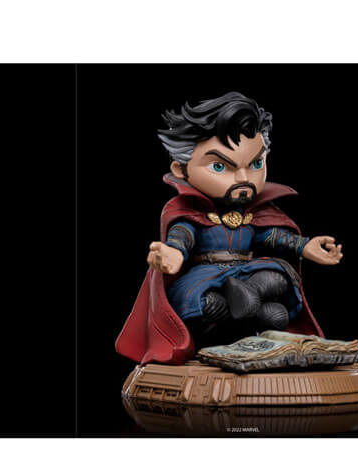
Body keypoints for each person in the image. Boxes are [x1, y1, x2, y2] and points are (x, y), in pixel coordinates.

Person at [116, 92, 343, 365]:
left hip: (246, 272)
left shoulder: (255, 212)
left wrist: (304, 246)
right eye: (219, 166)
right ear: (180, 169)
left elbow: (270, 235)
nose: (244, 178)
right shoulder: (187, 211)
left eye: (256, 163)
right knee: (206, 303)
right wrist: (174, 254)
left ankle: (249, 302)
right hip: (207, 276)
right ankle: (243, 310)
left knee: (278, 278)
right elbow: (182, 235)